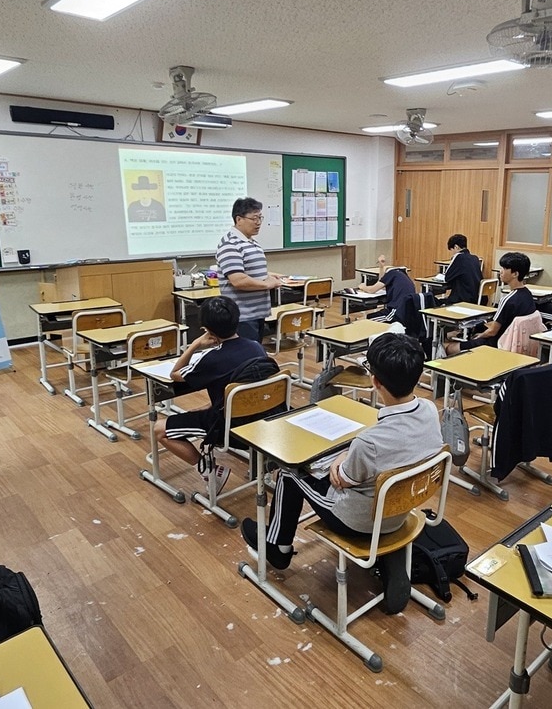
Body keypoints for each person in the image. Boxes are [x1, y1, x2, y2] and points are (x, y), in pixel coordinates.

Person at [240, 332, 442, 578]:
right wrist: (349, 451)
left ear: (375, 381)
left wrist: (342, 457)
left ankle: (277, 548)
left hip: (359, 520)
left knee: (288, 473)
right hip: (402, 509)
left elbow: (342, 479)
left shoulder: (368, 443)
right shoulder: (430, 410)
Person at [155, 295, 270, 495]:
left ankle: (210, 470)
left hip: (229, 429)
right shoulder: (256, 346)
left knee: (159, 429)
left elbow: (174, 374)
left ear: (207, 329)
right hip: (261, 421)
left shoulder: (210, 358)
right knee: (204, 409)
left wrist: (196, 344)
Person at [216, 197, 285, 342]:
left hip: (257, 313)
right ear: (239, 219)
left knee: (254, 355)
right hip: (242, 316)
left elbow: (248, 270)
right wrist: (268, 284)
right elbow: (239, 280)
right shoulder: (230, 245)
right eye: (254, 218)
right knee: (247, 360)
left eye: (260, 217)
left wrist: (270, 275)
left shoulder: (251, 242)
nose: (258, 222)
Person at [444, 251, 535, 356]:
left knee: (449, 348)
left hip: (497, 343)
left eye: (505, 268)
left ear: (515, 274)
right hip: (513, 341)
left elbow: (492, 331)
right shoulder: (527, 294)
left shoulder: (508, 300)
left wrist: (480, 336)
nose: (501, 272)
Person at [359, 255, 421, 333]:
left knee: (365, 319)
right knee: (370, 318)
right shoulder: (402, 275)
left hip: (396, 313)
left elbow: (372, 290)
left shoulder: (392, 273)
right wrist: (381, 267)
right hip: (407, 313)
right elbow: (382, 282)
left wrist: (363, 287)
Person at [440, 233, 482, 305]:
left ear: (456, 247)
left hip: (461, 299)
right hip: (475, 298)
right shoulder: (475, 258)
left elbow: (447, 277)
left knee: (436, 301)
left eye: (452, 250)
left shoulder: (459, 257)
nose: (452, 253)